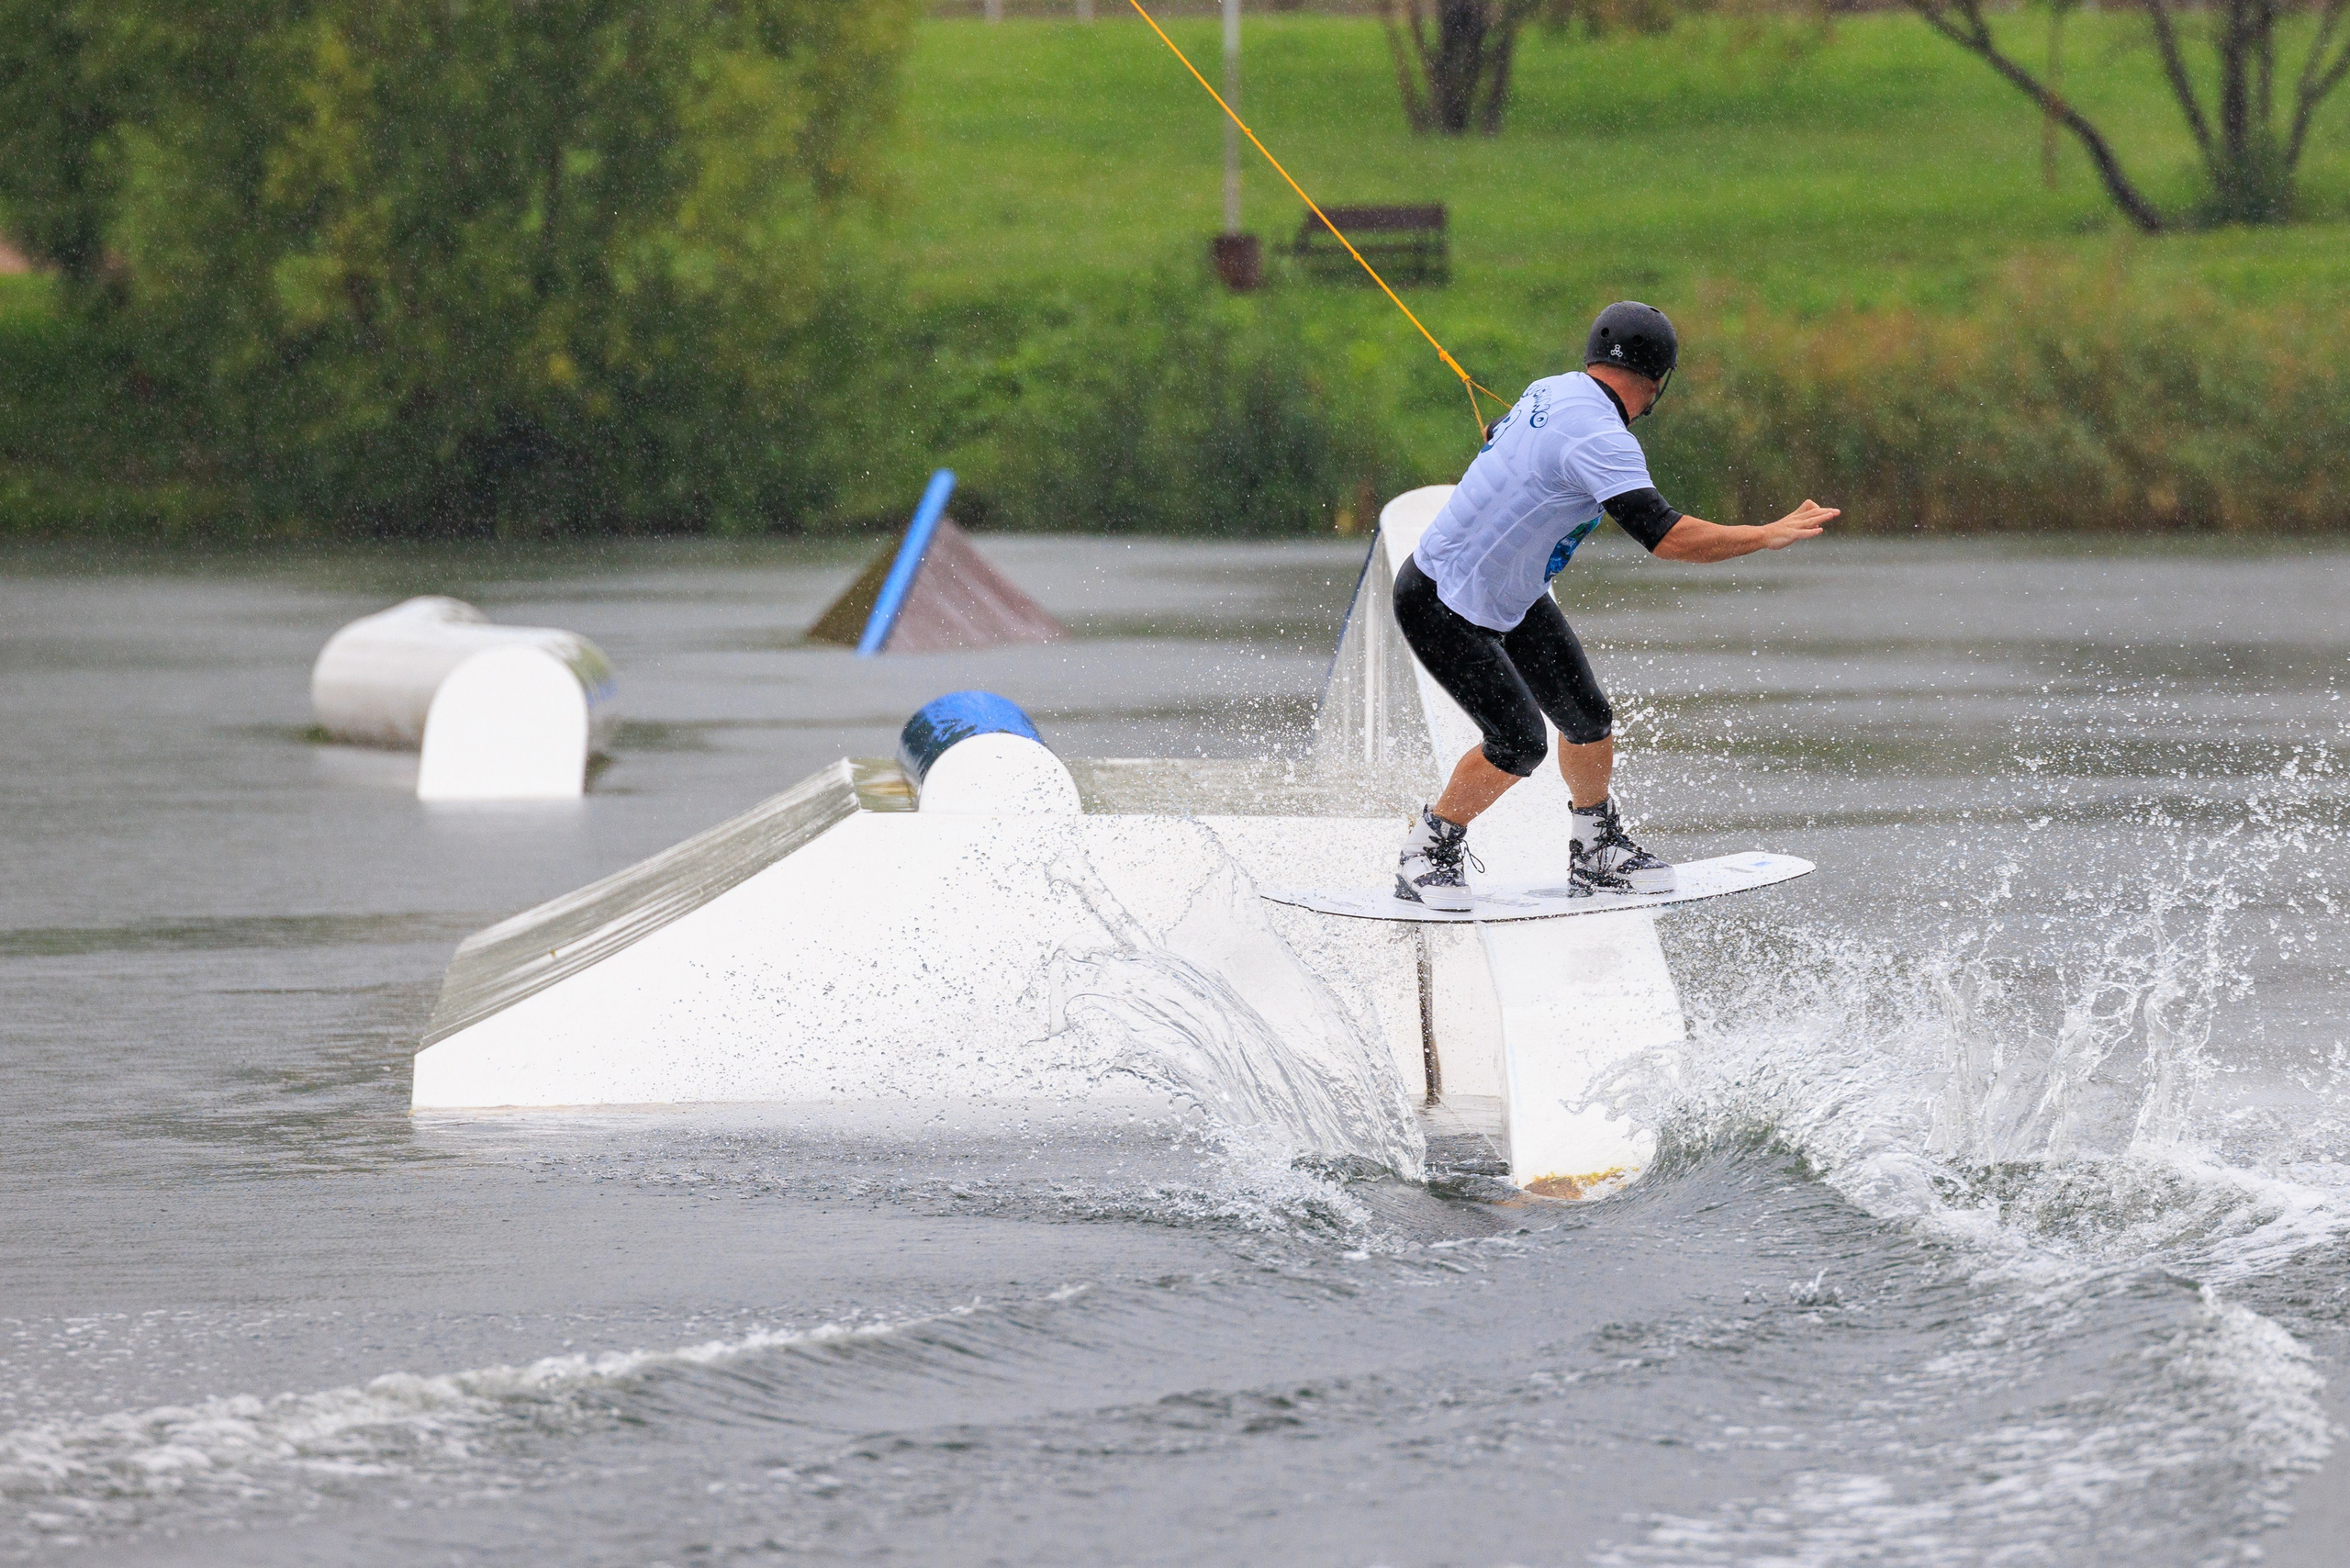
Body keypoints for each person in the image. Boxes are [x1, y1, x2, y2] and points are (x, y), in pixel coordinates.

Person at [1393, 301, 1839, 911]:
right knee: (1518, 743)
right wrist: (1764, 534)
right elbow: (1668, 537)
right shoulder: (1605, 439)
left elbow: (1501, 432)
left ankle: (1596, 851)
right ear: (1658, 382)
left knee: (1587, 717)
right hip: (1440, 601)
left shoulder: (1552, 388)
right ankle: (1427, 851)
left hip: (1510, 593)